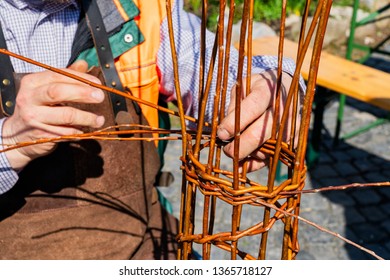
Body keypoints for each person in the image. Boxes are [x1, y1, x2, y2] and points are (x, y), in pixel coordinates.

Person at [0, 0, 304, 259]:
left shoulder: (142, 6)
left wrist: (269, 86)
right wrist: (9, 142)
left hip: (146, 242)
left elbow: (213, 68)